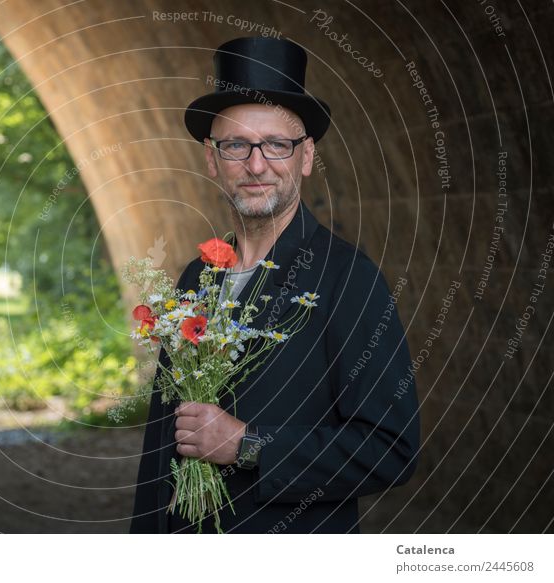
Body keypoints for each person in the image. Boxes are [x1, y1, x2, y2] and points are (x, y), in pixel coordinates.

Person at [129, 37, 420, 534]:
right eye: (236, 145)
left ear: (305, 156)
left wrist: (248, 445)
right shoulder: (196, 277)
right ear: (211, 159)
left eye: (276, 145)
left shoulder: (348, 278)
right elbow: (163, 441)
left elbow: (391, 449)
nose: (256, 165)